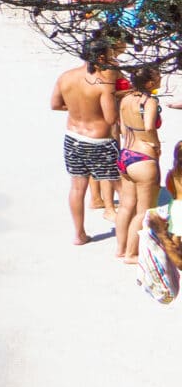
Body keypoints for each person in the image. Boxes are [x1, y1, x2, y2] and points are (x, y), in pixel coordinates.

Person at [52, 35, 124, 244]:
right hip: (98, 142)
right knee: (119, 185)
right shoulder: (102, 83)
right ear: (101, 56)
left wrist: (77, 110)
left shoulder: (65, 77)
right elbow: (111, 118)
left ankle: (79, 234)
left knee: (77, 187)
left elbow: (55, 105)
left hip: (73, 138)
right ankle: (132, 227)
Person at [116, 66, 164, 264]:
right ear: (150, 84)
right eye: (158, 77)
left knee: (126, 206)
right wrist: (155, 144)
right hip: (143, 158)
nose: (161, 79)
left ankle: (120, 249)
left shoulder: (125, 99)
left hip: (126, 154)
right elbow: (149, 126)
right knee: (143, 211)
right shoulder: (150, 101)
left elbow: (121, 127)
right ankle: (131, 254)